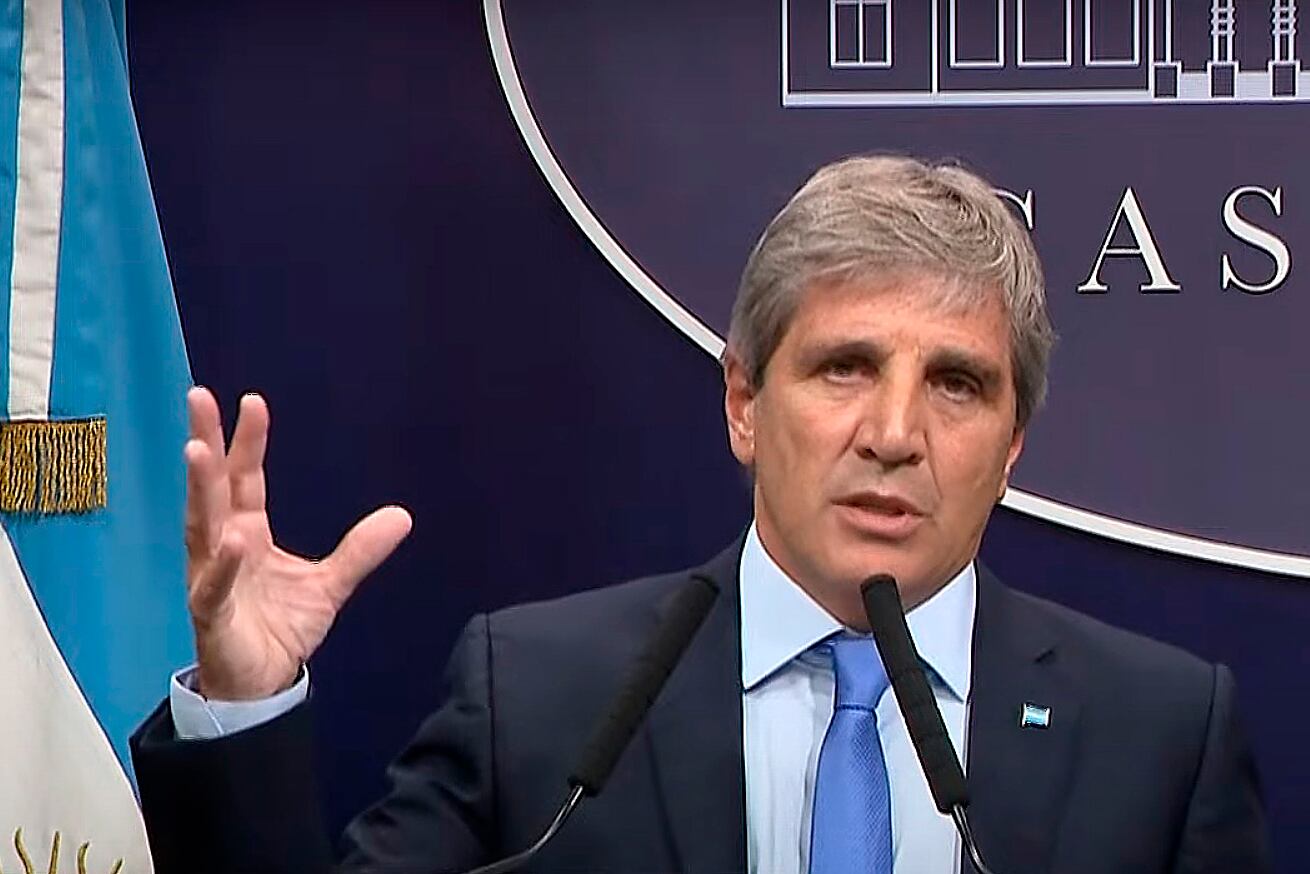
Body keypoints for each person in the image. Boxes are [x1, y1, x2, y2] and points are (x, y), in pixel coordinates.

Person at [131, 156, 1270, 874]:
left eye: (957, 384)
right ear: (742, 403)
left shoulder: (1158, 733)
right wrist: (245, 704)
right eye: (843, 367)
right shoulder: (541, 694)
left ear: (1013, 442)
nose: (893, 432)